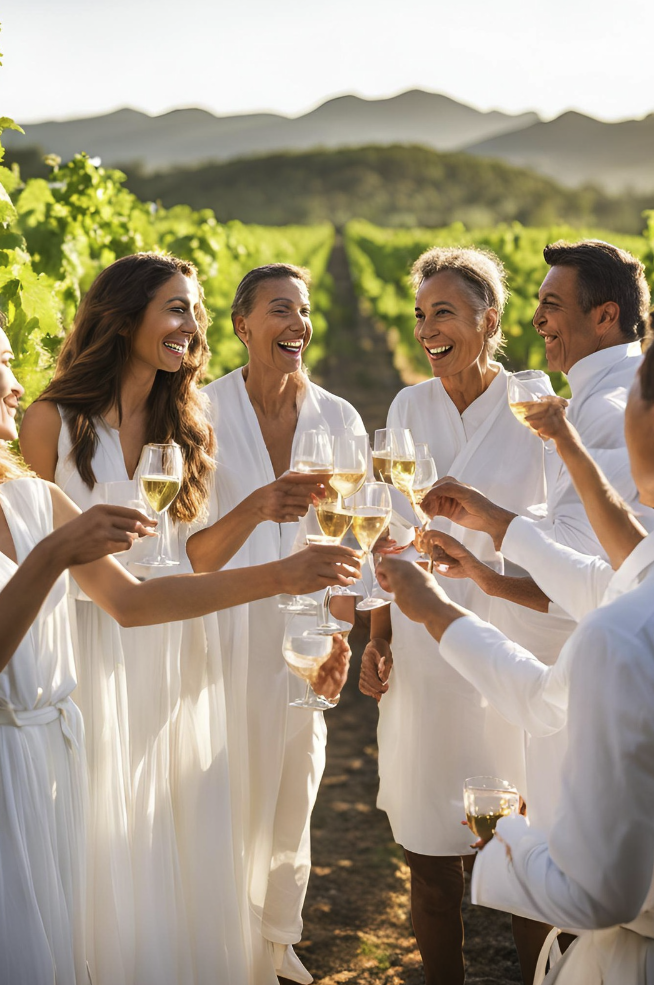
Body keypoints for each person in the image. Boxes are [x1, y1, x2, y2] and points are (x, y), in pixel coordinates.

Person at [0, 299, 360, 985]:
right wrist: (49, 558)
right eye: (1, 364)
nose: (21, 385)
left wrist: (281, 574)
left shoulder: (34, 501)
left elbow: (137, 602)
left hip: (67, 777)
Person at [377, 288, 654, 984]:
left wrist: (499, 831)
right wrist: (500, 532)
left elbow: (594, 892)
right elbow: (625, 575)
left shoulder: (630, 635)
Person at [412, 240, 654, 979]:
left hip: (582, 676)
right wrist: (490, 571)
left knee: (569, 873)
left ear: (604, 314)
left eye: (551, 304)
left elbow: (603, 584)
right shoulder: (583, 402)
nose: (539, 320)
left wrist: (492, 533)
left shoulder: (610, 409)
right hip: (559, 662)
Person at [356, 246, 553, 985]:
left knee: (521, 860)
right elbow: (385, 531)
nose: (426, 328)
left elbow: (555, 548)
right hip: (424, 653)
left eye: (443, 312)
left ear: (487, 319)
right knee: (428, 858)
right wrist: (379, 637)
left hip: (510, 655)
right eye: (419, 315)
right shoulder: (408, 407)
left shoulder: (534, 412)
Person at [186, 263, 365, 984]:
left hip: (301, 634)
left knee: (296, 783)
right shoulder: (197, 412)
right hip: (217, 625)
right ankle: (219, 933)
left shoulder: (339, 418)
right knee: (217, 784)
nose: (298, 323)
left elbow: (353, 542)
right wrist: (259, 503)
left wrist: (343, 634)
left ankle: (274, 937)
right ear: (240, 323)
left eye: (305, 309)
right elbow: (189, 554)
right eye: (280, 308)